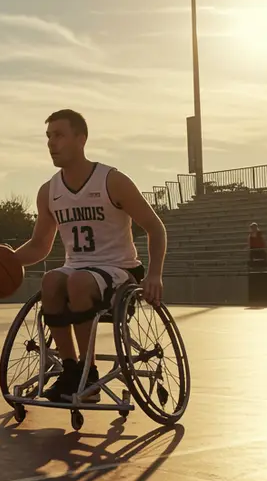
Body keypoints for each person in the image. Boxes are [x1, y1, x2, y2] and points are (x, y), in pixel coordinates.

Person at [11, 109, 167, 402]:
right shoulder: (49, 191)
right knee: (50, 281)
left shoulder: (112, 180)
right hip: (78, 271)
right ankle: (71, 370)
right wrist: (7, 261)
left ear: (81, 139)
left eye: (59, 135)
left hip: (120, 271)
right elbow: (39, 245)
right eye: (48, 137)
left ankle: (89, 372)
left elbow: (155, 229)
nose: (51, 143)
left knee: (78, 282)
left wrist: (155, 274)